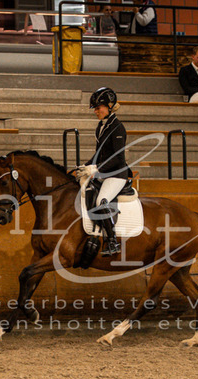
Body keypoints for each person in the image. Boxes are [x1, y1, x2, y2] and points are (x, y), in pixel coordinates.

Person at [76, 87, 130, 256]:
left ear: (109, 106)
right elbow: (99, 154)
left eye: (98, 108)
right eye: (95, 108)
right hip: (104, 173)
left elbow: (118, 158)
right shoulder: (101, 126)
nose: (95, 111)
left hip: (117, 174)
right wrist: (84, 166)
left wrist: (97, 168)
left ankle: (112, 241)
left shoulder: (118, 128)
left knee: (101, 200)